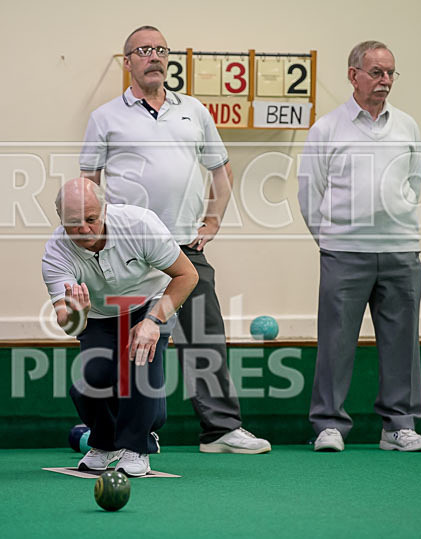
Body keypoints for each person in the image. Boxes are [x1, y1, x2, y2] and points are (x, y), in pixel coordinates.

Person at [79, 25, 270, 454]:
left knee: (205, 334)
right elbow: (88, 183)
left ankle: (220, 431)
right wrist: (93, 236)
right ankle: (123, 434)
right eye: (143, 50)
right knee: (130, 342)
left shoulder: (195, 111)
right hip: (131, 252)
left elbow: (221, 168)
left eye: (161, 50)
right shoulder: (105, 117)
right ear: (126, 62)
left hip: (185, 245)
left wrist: (213, 220)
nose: (154, 57)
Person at [297, 41, 421, 452]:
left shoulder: (407, 126)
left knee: (402, 341)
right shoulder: (327, 128)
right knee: (336, 340)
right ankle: (328, 425)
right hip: (344, 253)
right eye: (376, 72)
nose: (385, 80)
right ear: (353, 75)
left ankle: (398, 425)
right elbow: (309, 191)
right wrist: (332, 238)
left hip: (400, 251)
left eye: (390, 72)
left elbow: (414, 182)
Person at [42, 178, 198, 476]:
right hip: (99, 314)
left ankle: (136, 447)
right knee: (91, 381)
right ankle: (109, 442)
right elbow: (68, 323)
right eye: (73, 223)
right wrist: (78, 313)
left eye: (91, 219)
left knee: (138, 368)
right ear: (60, 219)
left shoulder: (139, 224)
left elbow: (187, 275)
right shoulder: (56, 252)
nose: (84, 230)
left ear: (105, 210)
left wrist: (153, 321)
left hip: (149, 303)